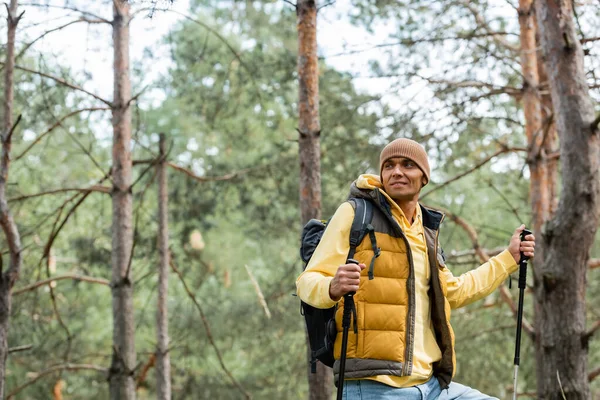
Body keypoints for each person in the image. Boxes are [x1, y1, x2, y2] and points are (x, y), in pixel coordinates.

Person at [296, 138, 536, 400]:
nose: (397, 171)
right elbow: (307, 282)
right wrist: (332, 286)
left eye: (408, 164)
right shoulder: (354, 213)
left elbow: (452, 292)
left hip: (433, 387)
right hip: (375, 387)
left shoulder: (425, 231)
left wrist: (509, 258)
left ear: (424, 177)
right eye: (389, 165)